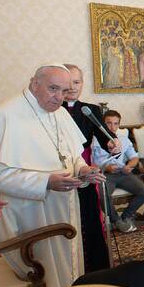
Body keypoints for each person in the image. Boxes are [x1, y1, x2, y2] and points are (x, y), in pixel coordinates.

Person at [0, 64, 106, 287]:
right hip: (31, 213)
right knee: (47, 277)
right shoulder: (5, 115)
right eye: (53, 89)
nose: (59, 98)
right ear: (34, 83)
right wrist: (46, 182)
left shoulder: (60, 113)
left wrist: (82, 169)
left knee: (70, 266)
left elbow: (72, 156)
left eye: (64, 91)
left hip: (66, 206)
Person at [62, 63, 121, 271]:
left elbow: (105, 135)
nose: (72, 87)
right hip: (59, 171)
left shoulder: (90, 110)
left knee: (88, 216)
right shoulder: (52, 109)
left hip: (85, 171)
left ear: (82, 84)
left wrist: (113, 143)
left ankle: (93, 265)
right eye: (67, 83)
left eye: (76, 82)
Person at [92, 110, 144, 233]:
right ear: (103, 124)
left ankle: (126, 216)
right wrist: (107, 168)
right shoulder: (94, 140)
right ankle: (116, 220)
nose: (112, 127)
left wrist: (129, 166)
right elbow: (91, 162)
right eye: (108, 123)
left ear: (119, 124)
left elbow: (134, 158)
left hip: (122, 173)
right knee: (103, 196)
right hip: (104, 174)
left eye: (115, 123)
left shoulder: (123, 139)